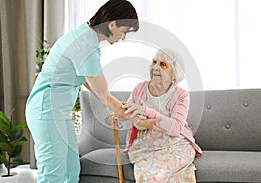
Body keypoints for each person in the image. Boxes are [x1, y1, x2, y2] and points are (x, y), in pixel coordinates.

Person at [25, 1, 154, 182]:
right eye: (124, 32)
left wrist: (111, 105)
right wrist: (138, 119)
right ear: (112, 24)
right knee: (53, 175)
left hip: (58, 113)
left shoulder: (86, 37)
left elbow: (90, 83)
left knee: (71, 170)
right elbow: (104, 95)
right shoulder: (85, 45)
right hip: (46, 111)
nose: (123, 38)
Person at [120, 49, 202, 182]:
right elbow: (127, 111)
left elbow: (175, 128)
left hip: (175, 144)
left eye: (163, 64)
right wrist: (116, 116)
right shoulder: (140, 88)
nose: (156, 67)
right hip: (145, 146)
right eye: (154, 62)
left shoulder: (181, 95)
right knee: (147, 175)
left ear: (174, 73)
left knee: (163, 174)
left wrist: (146, 111)